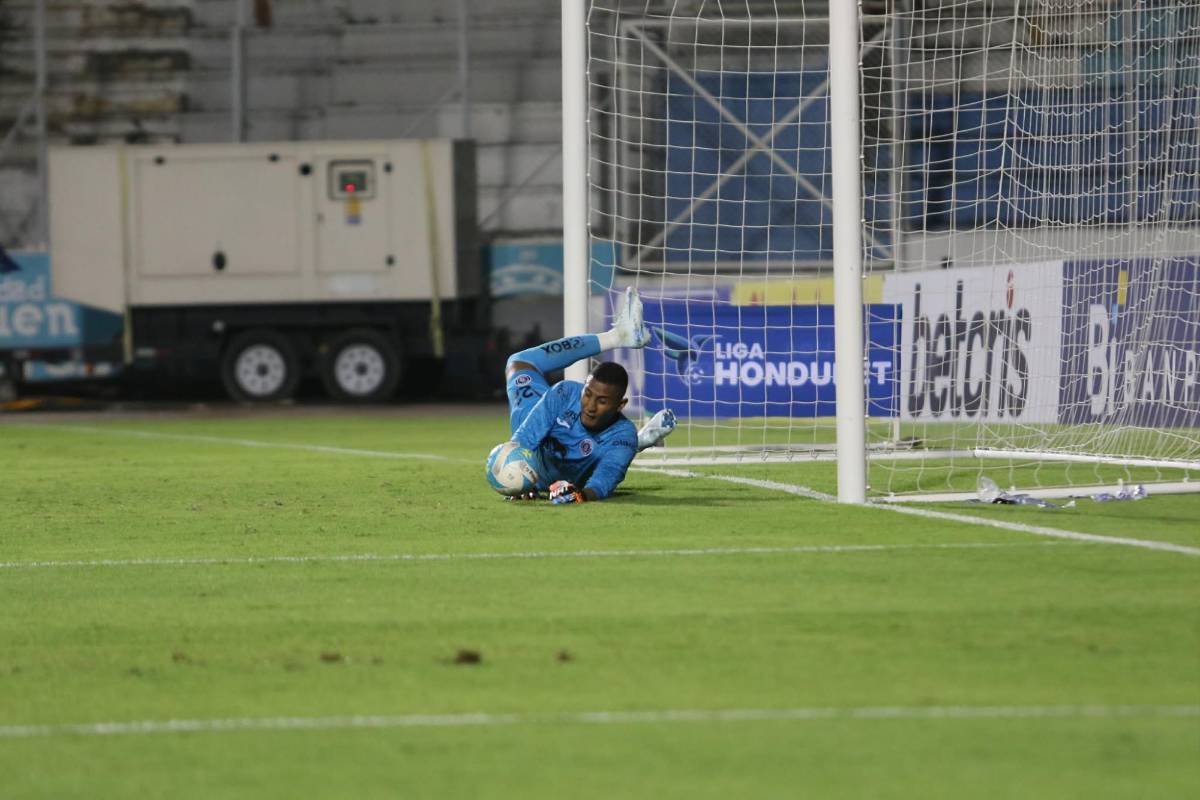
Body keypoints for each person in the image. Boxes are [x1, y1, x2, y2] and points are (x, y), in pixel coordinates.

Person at [502, 287, 677, 504]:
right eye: (587, 394)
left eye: (602, 401)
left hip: (585, 466)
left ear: (620, 405)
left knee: (616, 448)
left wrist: (580, 495)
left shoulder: (621, 435)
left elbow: (603, 482)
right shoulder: (563, 393)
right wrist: (519, 482)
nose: (590, 406)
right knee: (519, 362)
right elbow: (522, 442)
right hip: (537, 457)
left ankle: (636, 443)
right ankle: (617, 336)